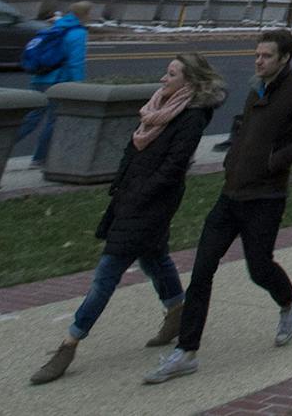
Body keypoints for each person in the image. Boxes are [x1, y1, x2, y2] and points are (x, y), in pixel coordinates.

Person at [30, 52, 227, 386]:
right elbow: (134, 148)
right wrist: (122, 182)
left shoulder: (191, 117)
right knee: (154, 258)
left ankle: (69, 343)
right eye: (166, 73)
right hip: (131, 196)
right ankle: (177, 312)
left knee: (106, 273)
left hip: (151, 202)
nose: (164, 79)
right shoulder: (158, 107)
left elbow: (173, 166)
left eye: (172, 74)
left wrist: (140, 193)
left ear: (190, 82)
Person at [143, 28, 292, 385]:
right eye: (257, 54)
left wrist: (274, 161)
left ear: (285, 58)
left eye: (267, 56)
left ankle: (287, 299)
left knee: (258, 267)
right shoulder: (257, 86)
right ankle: (186, 352)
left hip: (266, 197)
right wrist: (234, 157)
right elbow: (247, 128)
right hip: (232, 193)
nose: (259, 60)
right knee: (202, 269)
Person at [20, 4, 90, 166]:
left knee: (32, 118)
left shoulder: (56, 27)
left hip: (40, 78)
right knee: (54, 120)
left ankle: (2, 147)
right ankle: (40, 158)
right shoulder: (78, 32)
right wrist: (78, 85)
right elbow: (75, 62)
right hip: (58, 81)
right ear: (85, 14)